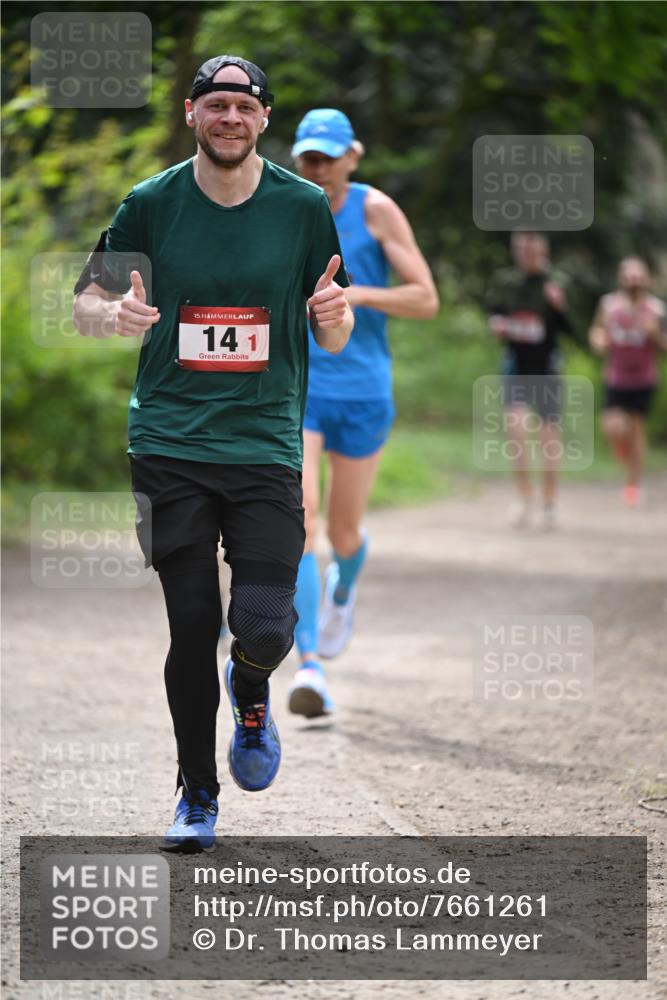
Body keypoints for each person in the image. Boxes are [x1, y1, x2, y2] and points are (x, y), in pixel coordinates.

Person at [72, 56, 353, 851]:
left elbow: (334, 326)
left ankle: (253, 688)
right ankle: (196, 794)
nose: (230, 117)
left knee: (263, 624)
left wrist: (332, 315)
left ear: (265, 120)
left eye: (245, 106)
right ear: (191, 114)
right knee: (191, 625)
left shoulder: (302, 208)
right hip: (168, 442)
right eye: (215, 104)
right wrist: (110, 317)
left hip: (264, 443)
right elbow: (88, 303)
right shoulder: (152, 203)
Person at [285, 109, 439, 719]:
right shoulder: (287, 205)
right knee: (300, 519)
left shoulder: (376, 210)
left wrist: (358, 293)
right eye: (308, 159)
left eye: (328, 157)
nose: (318, 169)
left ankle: (342, 587)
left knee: (344, 535)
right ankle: (311, 667)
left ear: (353, 155)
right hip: (303, 386)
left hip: (366, 390)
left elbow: (426, 297)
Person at [486, 231, 580, 530]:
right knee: (516, 433)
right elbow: (494, 313)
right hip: (516, 364)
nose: (525, 254)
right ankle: (524, 496)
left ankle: (549, 502)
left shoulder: (559, 282)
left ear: (543, 250)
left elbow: (574, 331)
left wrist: (560, 306)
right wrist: (497, 325)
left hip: (547, 365)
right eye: (520, 248)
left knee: (548, 438)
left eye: (531, 248)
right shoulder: (507, 282)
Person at [589, 256, 666, 505]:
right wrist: (598, 340)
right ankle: (623, 452)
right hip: (616, 376)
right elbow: (597, 331)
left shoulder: (656, 310)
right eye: (629, 276)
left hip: (644, 378)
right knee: (613, 427)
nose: (634, 282)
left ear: (646, 280)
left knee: (637, 429)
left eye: (638, 277)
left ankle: (632, 486)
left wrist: (655, 335)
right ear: (621, 279)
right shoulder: (609, 305)